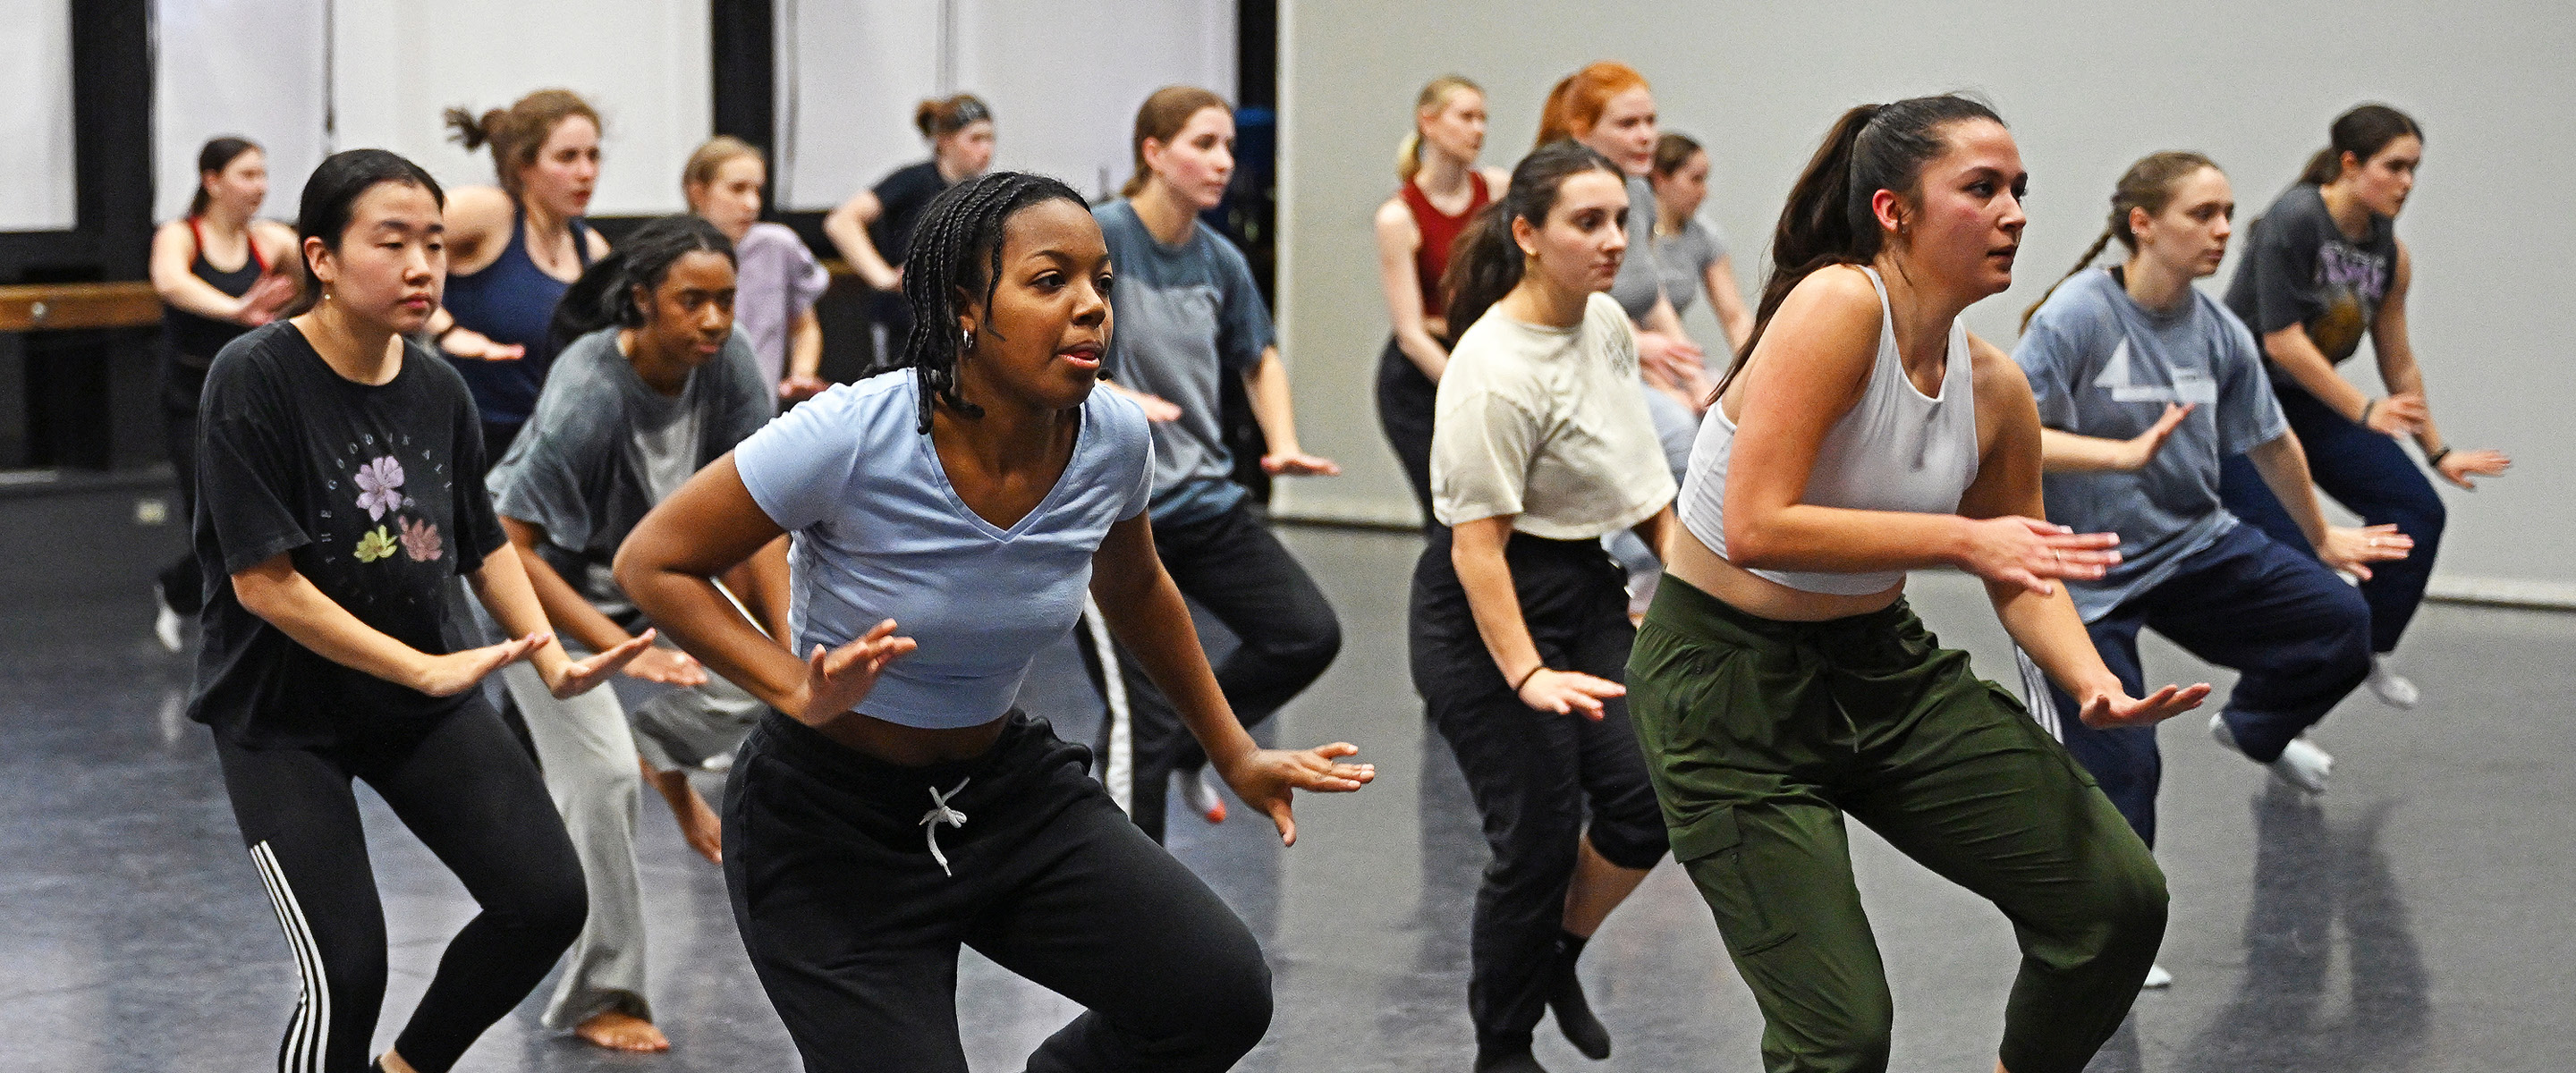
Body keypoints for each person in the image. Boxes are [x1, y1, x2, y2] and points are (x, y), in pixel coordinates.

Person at [613, 171, 1374, 1073]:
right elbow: (653, 563)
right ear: (966, 306)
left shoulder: (1112, 438)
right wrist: (792, 687)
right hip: (827, 827)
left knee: (1214, 995)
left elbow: (1137, 589)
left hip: (1001, 797)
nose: (1092, 307)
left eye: (1101, 283)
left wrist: (1233, 746)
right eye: (1051, 282)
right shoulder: (854, 431)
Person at [1623, 96, 2211, 1073]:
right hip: (1725, 689)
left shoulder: (1996, 388)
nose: (2014, 212)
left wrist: (2090, 681)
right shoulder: (1837, 304)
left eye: (2020, 190)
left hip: (1879, 668)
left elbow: (2020, 562)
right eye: (1981, 189)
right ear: (1894, 210)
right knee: (1842, 1038)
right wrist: (1959, 541)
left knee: (2116, 902)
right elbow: (1755, 525)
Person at [191, 148, 649, 1073]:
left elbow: (483, 544)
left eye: (434, 244)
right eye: (390, 242)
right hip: (284, 719)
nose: (420, 267)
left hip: (417, 704)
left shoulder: (438, 384)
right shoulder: (253, 377)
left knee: (547, 901)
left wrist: (546, 658)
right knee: (347, 973)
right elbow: (264, 583)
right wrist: (422, 667)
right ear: (320, 258)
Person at [2013, 150, 2411, 987]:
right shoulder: (2076, 317)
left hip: (2192, 544)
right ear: (2142, 224)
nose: (2225, 231)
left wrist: (2324, 537)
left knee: (2341, 621)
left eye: (2230, 212)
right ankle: (2115, 934)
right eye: (2204, 214)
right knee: (2124, 759)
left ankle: (2259, 727)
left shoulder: (2216, 329)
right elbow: (2013, 436)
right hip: (2081, 568)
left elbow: (2271, 442)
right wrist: (2117, 457)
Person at [482, 214, 781, 1052]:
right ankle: (600, 998)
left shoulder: (726, 366)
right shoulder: (590, 388)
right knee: (604, 779)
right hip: (531, 594)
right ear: (642, 301)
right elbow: (508, 544)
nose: (715, 322)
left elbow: (761, 520)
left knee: (788, 691)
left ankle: (665, 753)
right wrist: (626, 654)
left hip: (653, 580)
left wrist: (787, 654)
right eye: (693, 302)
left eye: (727, 301)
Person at [1415, 140, 1677, 1073]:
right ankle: (1503, 1046)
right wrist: (1524, 672)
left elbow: (1646, 491)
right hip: (1485, 612)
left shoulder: (1604, 321)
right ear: (1526, 234)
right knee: (1532, 840)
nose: (1614, 241)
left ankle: (1557, 951)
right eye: (1588, 222)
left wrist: (1702, 604)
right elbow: (1476, 547)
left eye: (1621, 221)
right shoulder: (1488, 369)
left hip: (1582, 589)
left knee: (1646, 805)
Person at [1085, 86, 1344, 841]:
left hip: (1202, 500)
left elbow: (1257, 354)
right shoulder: (1100, 237)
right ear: (1153, 152)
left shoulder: (1220, 257)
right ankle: (1142, 902)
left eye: (1229, 147)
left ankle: (1201, 741)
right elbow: (1043, 350)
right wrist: (1116, 393)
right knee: (1146, 714)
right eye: (1204, 144)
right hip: (1117, 516)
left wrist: (1283, 440)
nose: (1223, 161)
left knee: (1306, 634)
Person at [2216, 104, 2509, 708]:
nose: (2406, 183)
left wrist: (2438, 450)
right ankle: (2263, 710)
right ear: (2350, 164)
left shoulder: (2389, 253)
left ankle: (2361, 653)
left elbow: (2397, 358)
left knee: (2417, 513)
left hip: (2307, 400)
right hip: (2241, 405)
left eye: (2414, 170)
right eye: (2394, 167)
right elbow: (2282, 341)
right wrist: (2363, 409)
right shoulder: (2293, 220)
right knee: (2301, 564)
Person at [149, 136, 301, 651]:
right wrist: (236, 310)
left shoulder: (273, 240)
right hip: (189, 401)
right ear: (212, 181)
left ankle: (236, 618)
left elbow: (324, 273)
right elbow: (170, 282)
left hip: (251, 398)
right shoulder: (181, 235)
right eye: (246, 175)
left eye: (263, 175)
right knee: (212, 517)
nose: (259, 187)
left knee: (263, 512)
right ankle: (186, 593)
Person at [428, 89, 612, 468]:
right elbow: (391, 245)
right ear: (523, 166)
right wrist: (443, 329)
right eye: (567, 157)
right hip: (467, 448)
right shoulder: (490, 213)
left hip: (546, 454)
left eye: (593, 156)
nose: (586, 172)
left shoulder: (591, 248)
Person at [1538, 62, 1705, 456]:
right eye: (1628, 125)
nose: (1647, 136)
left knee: (1725, 414)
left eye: (1651, 121)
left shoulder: (1640, 194)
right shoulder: (1555, 199)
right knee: (1680, 435)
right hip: (1577, 364)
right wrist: (1649, 362)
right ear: (1582, 131)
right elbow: (1575, 308)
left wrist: (1694, 375)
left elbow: (1651, 296)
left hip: (1630, 356)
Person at [1374, 75, 1511, 528]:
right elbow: (1410, 333)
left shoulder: (1496, 191)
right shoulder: (1399, 216)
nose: (1479, 130)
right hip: (1423, 377)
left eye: (1484, 119)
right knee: (1449, 520)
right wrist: (1466, 386)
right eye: (1466, 117)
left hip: (1484, 360)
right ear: (1427, 123)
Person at [823, 94, 996, 370]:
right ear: (944, 141)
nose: (986, 149)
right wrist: (882, 277)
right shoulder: (913, 181)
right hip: (903, 326)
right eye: (975, 139)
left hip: (954, 327)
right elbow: (842, 222)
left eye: (990, 139)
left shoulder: (983, 193)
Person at [685, 136, 829, 403]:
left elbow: (804, 327)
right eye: (737, 189)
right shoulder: (673, 254)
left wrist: (802, 374)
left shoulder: (779, 245)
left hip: (760, 416)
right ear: (698, 193)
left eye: (758, 191)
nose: (751, 203)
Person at [1644, 132, 1753, 352]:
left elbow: (1735, 317)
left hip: (1671, 349)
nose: (1704, 192)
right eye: (1696, 180)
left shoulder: (1704, 236)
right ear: (1660, 179)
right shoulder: (1628, 232)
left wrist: (1754, 366)